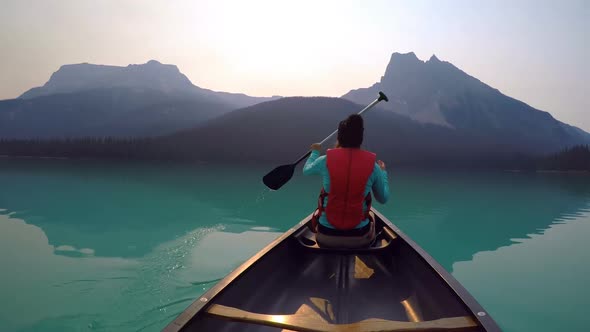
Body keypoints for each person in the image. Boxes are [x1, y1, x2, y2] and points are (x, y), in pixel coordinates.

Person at [303, 114, 390, 248]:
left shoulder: (325, 160)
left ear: (339, 137)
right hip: (359, 238)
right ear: (360, 139)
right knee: (371, 214)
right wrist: (383, 173)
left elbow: (306, 170)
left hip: (326, 236)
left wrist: (314, 152)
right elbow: (383, 199)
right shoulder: (374, 166)